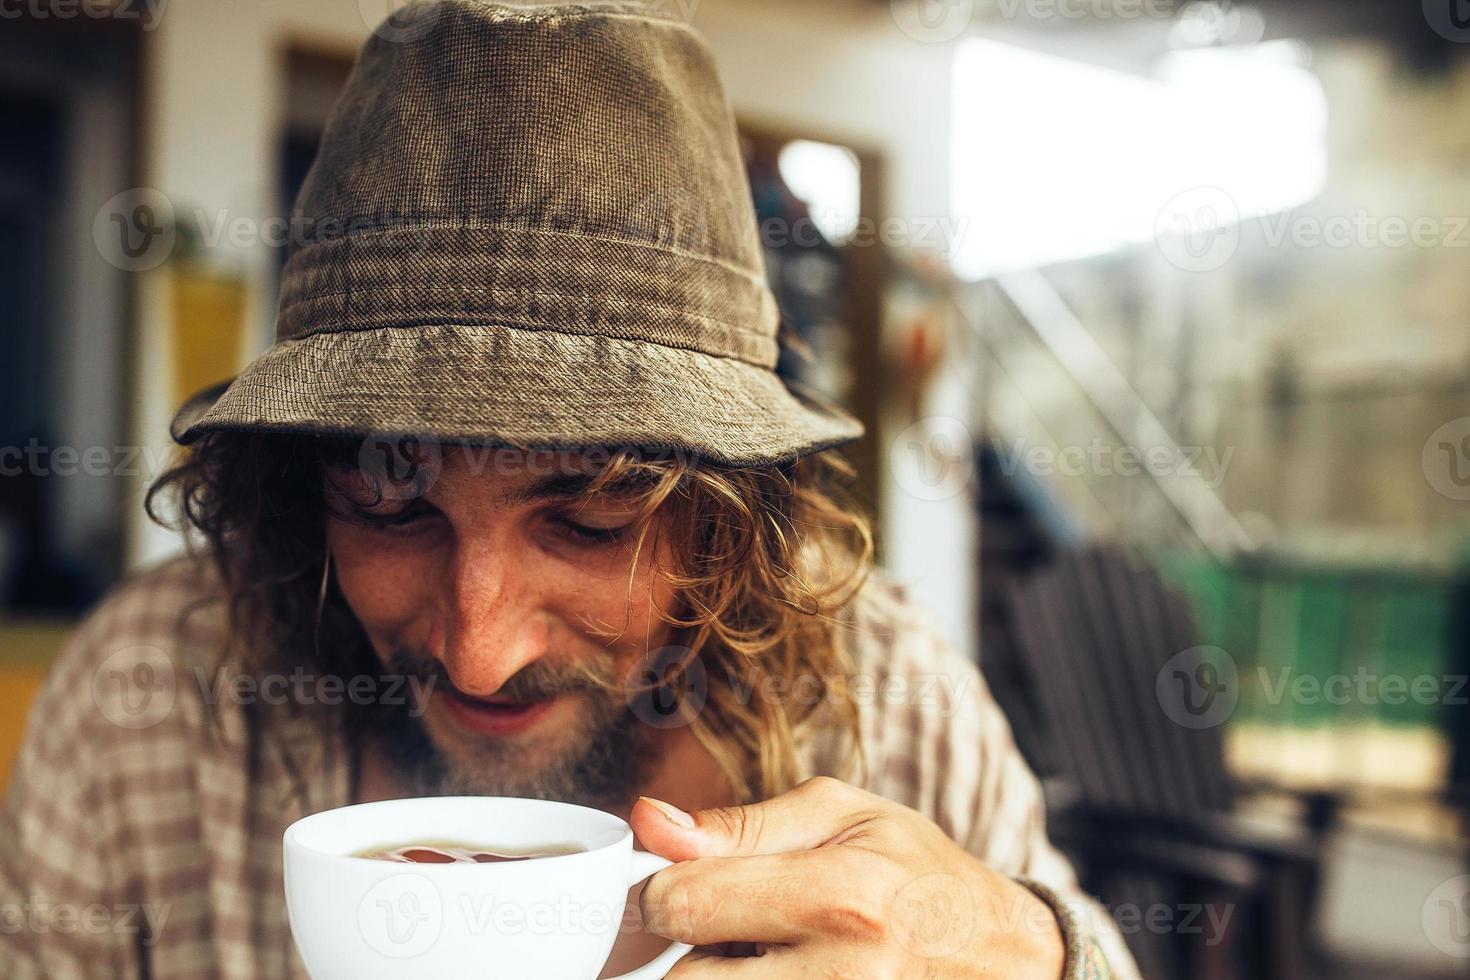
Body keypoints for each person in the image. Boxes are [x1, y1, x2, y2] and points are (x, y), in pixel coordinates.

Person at [0, 3, 1140, 977]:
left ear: (731, 525)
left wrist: (1028, 943)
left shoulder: (893, 702)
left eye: (589, 520)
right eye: (395, 502)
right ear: (301, 493)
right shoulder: (141, 698)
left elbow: (1071, 942)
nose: (477, 650)